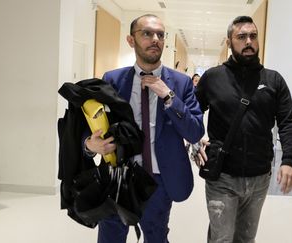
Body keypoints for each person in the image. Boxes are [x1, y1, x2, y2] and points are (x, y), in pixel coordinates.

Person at [84, 14, 204, 243]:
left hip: (158, 180)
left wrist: (168, 96)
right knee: (110, 237)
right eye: (147, 33)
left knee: (156, 237)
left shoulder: (181, 83)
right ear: (131, 40)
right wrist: (90, 145)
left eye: (160, 34)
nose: (155, 39)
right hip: (118, 174)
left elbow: (195, 131)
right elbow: (89, 124)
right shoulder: (113, 80)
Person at [194, 16, 292, 243]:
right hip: (222, 175)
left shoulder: (273, 80)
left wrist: (289, 160)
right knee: (221, 238)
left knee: (246, 238)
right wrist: (195, 143)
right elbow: (193, 115)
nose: (248, 41)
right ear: (229, 42)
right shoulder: (213, 78)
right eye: (241, 37)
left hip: (259, 177)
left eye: (253, 36)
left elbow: (288, 122)